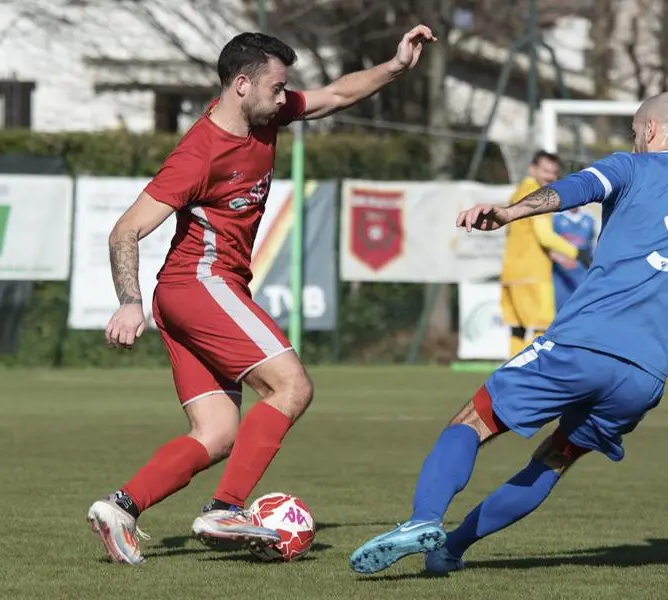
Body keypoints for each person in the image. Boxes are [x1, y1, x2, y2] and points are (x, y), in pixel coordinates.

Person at [348, 91, 668, 576]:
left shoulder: (631, 166)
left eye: (633, 130)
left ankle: (424, 518)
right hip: (644, 378)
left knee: (472, 421)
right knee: (554, 460)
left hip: (580, 345)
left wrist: (512, 210)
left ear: (649, 131)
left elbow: (574, 190)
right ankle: (453, 549)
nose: (632, 139)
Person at [87, 26, 436, 565]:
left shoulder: (267, 114)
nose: (285, 96)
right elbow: (125, 231)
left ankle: (121, 508)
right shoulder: (198, 153)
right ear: (242, 85)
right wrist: (128, 301)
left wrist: (395, 66)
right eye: (277, 87)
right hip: (198, 284)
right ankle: (226, 507)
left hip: (191, 293)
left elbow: (337, 94)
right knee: (292, 387)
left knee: (218, 433)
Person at [500, 150, 580, 356]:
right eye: (546, 171)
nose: (550, 177)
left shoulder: (518, 191)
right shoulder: (537, 195)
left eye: (553, 172)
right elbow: (544, 235)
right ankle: (534, 374)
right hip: (533, 274)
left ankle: (511, 375)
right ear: (532, 169)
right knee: (542, 325)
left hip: (511, 272)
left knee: (517, 328)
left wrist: (557, 257)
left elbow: (529, 237)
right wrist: (575, 252)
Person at [551, 206, 597, 311]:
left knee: (582, 309)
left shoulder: (589, 219)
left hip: (582, 274)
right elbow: (549, 247)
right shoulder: (555, 219)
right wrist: (561, 259)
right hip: (561, 276)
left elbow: (592, 246)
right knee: (561, 311)